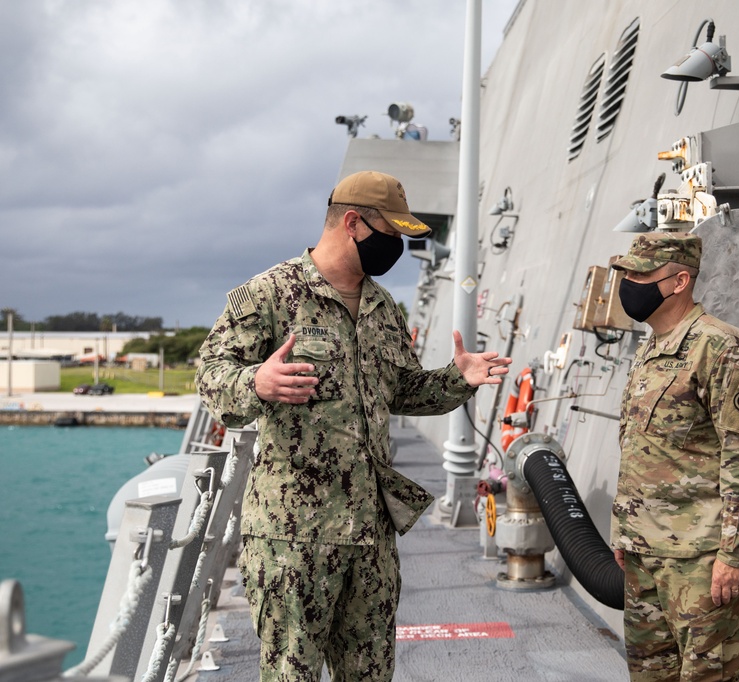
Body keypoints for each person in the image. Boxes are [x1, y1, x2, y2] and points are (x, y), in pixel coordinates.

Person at [195, 170, 511, 682]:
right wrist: (259, 382)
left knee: (371, 673)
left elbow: (403, 390)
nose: (397, 246)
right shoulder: (269, 295)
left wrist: (458, 379)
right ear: (352, 223)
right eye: (391, 233)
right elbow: (210, 377)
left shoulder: (383, 306)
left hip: (370, 535)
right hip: (292, 538)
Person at [610, 232, 739, 681]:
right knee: (651, 674)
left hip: (704, 563)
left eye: (641, 274)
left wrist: (736, 554)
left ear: (680, 280)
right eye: (626, 272)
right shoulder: (650, 349)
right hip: (646, 552)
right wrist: (624, 531)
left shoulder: (722, 349)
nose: (629, 282)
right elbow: (639, 449)